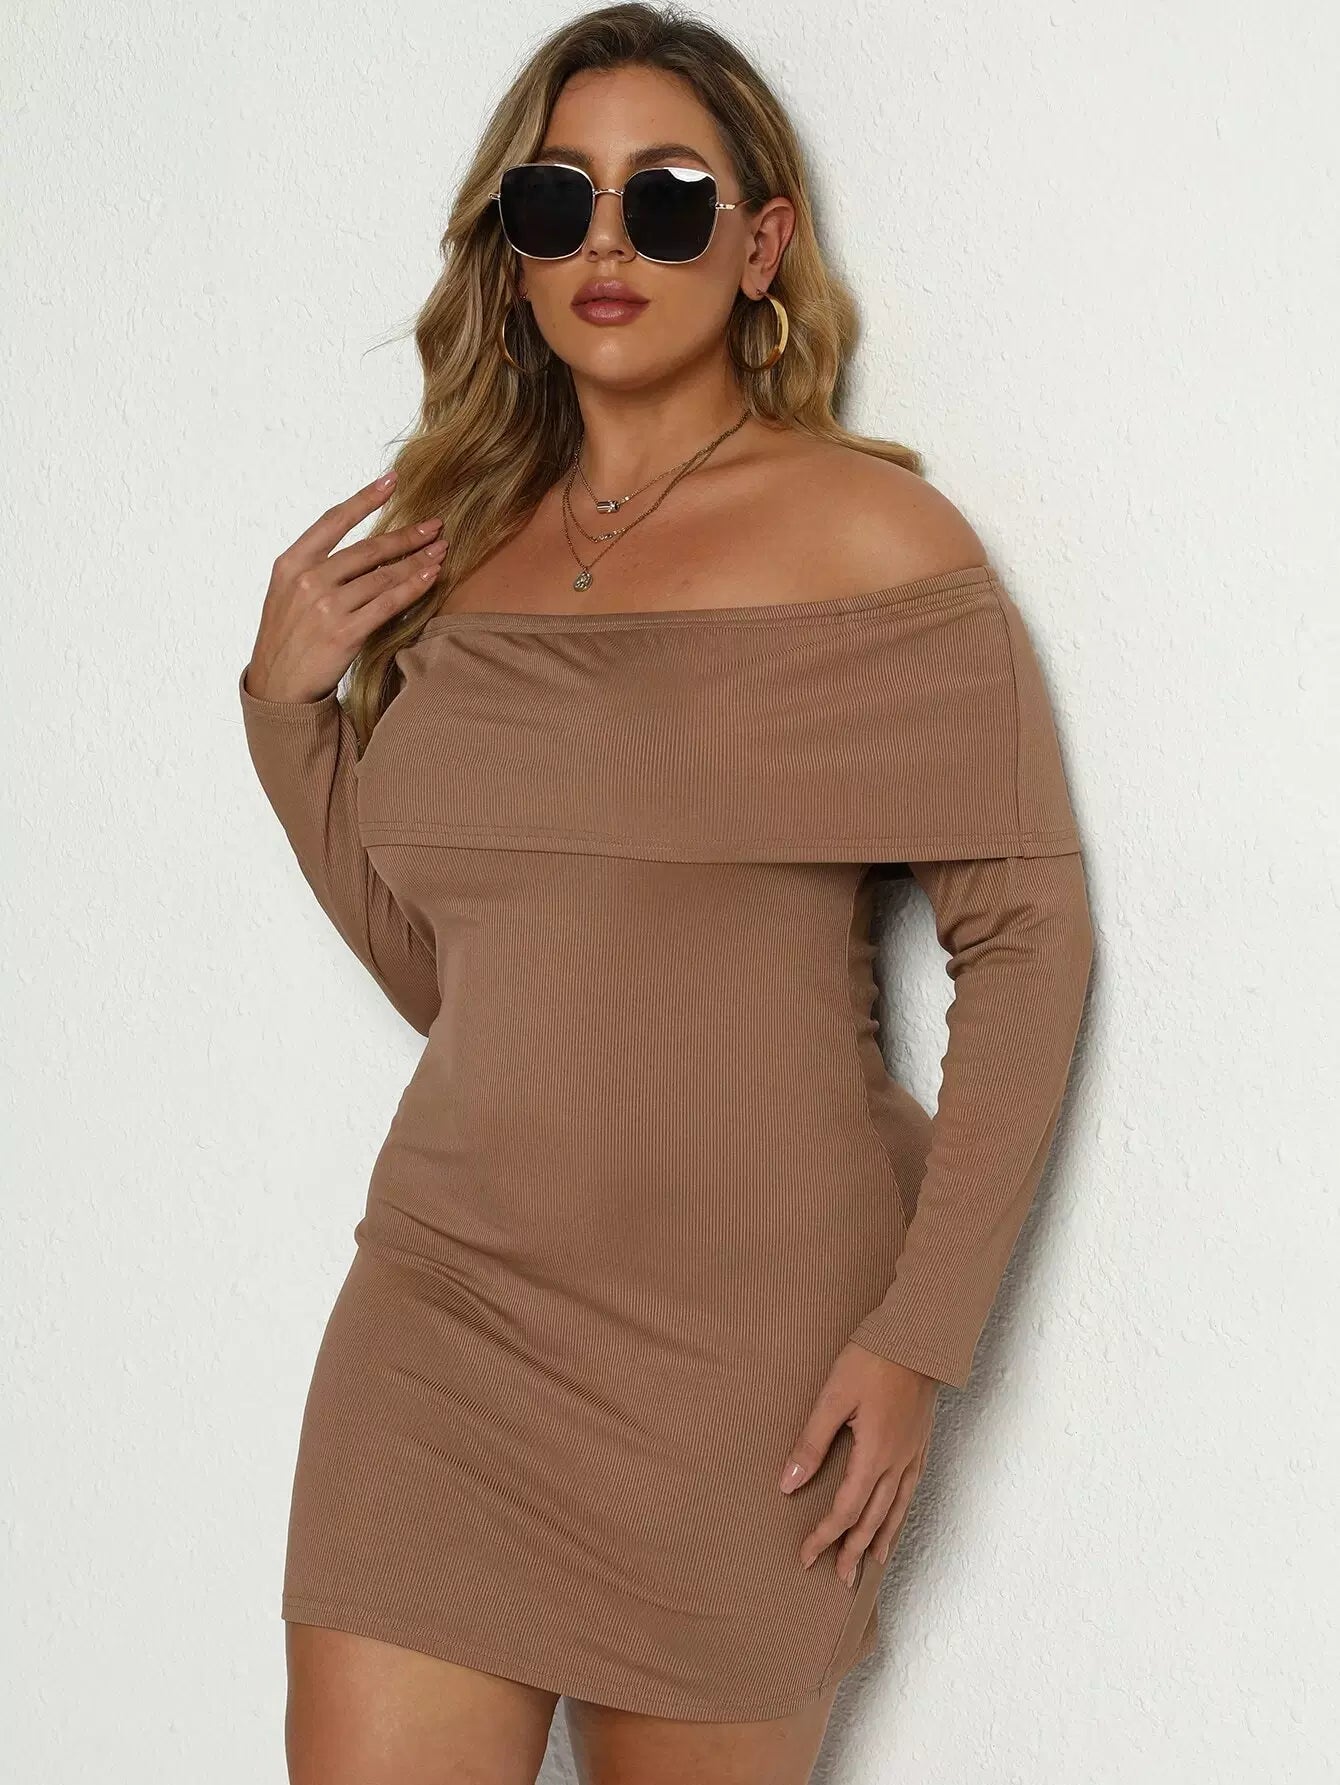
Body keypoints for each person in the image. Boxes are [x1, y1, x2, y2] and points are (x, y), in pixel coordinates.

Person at [237, 7, 1095, 1782]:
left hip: (748, 1361)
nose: (609, 241)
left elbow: (1031, 943)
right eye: (559, 201)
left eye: (669, 196)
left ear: (761, 242)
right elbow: (458, 979)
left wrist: (920, 1338)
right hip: (445, 1324)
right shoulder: (457, 553)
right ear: (515, 250)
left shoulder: (873, 544)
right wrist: (285, 713)